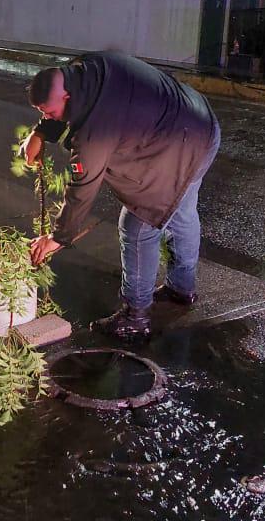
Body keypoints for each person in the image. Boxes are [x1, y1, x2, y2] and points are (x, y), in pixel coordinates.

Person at [22, 51, 221, 340]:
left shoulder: (95, 131)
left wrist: (57, 238)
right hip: (202, 125)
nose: (46, 116)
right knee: (181, 210)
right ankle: (181, 289)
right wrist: (40, 133)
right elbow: (67, 102)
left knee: (137, 225)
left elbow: (82, 188)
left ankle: (135, 317)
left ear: (66, 97)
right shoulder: (86, 69)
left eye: (49, 113)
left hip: (182, 143)